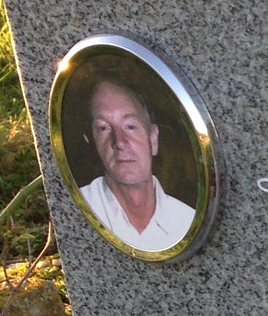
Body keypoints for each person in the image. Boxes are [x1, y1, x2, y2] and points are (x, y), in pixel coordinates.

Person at [77, 76, 195, 255]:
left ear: (153, 139)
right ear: (91, 142)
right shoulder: (77, 211)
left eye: (130, 126)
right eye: (103, 128)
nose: (120, 142)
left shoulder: (187, 220)